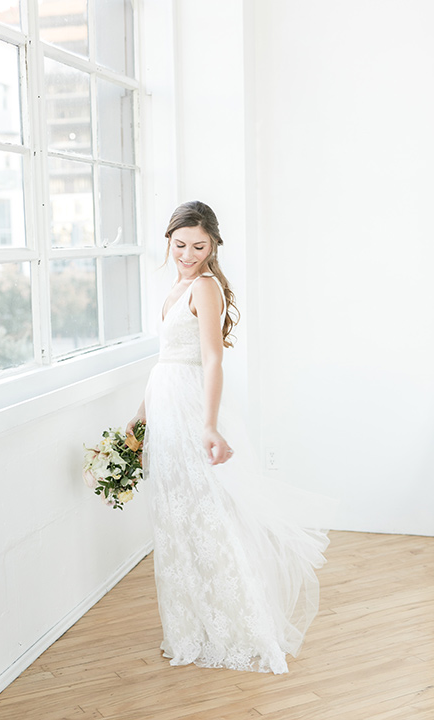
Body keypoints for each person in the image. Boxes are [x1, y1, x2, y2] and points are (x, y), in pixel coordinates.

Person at [127, 200, 331, 674]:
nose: (188, 254)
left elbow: (212, 360)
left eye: (199, 246)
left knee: (208, 516)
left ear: (213, 245)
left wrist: (210, 424)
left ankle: (236, 626)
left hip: (190, 407)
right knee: (177, 516)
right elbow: (164, 361)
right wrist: (139, 418)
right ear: (168, 240)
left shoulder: (205, 287)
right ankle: (191, 627)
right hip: (165, 404)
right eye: (180, 245)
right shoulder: (177, 285)